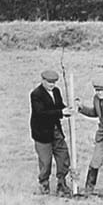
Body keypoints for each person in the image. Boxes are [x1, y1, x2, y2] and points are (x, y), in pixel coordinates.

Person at [30, 69, 73, 197]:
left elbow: (59, 106)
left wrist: (67, 109)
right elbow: (41, 113)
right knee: (45, 161)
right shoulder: (36, 94)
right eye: (49, 82)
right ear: (43, 80)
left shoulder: (56, 91)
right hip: (42, 133)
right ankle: (44, 185)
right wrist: (61, 113)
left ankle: (61, 184)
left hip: (56, 131)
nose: (52, 85)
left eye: (54, 82)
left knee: (63, 156)